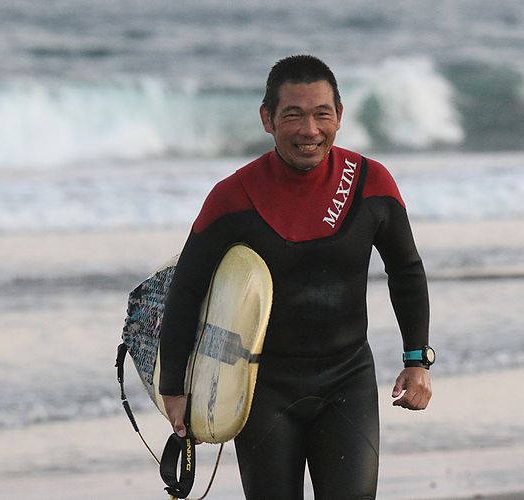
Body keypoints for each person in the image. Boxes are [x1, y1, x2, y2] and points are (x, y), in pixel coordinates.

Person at [158, 54, 432, 499]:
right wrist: (174, 389)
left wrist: (417, 360)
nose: (310, 130)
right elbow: (187, 290)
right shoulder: (233, 198)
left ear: (339, 115)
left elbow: (406, 270)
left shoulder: (371, 183)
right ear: (267, 119)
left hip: (348, 379)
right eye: (293, 115)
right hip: (262, 388)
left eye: (322, 114)